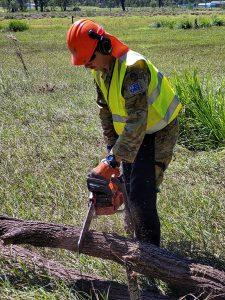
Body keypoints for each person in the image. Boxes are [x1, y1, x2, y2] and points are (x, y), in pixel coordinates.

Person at [67, 19, 182, 247]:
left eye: (89, 60)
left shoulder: (133, 69)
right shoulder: (100, 70)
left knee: (141, 193)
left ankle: (151, 256)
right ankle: (135, 238)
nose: (87, 66)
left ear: (104, 47)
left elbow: (137, 122)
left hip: (158, 131)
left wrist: (112, 160)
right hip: (133, 133)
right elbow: (106, 112)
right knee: (127, 185)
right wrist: (112, 150)